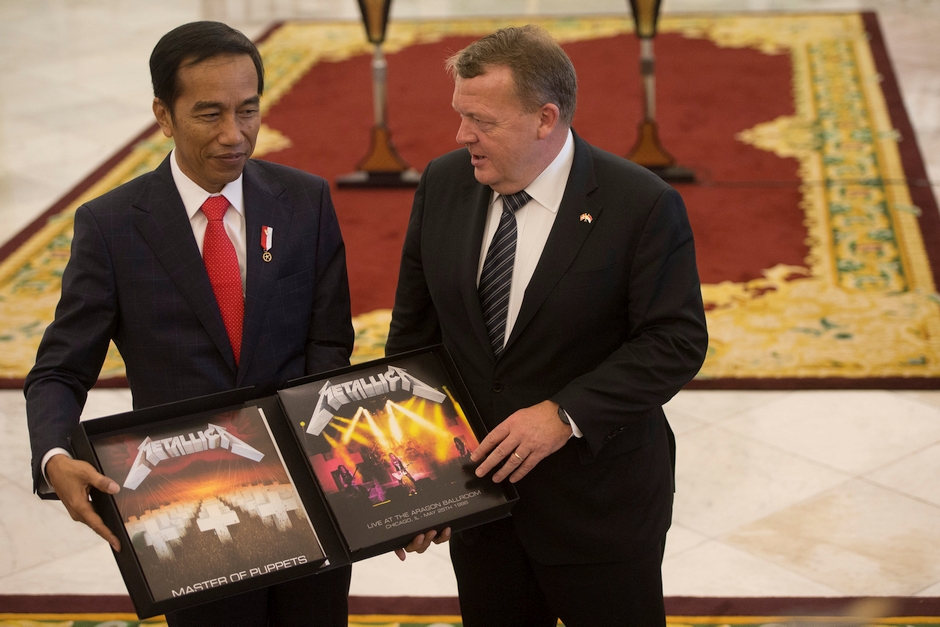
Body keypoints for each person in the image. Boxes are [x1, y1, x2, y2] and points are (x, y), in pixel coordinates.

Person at [24, 21, 354, 627]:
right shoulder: (113, 226)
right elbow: (60, 370)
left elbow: (329, 341)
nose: (235, 134)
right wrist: (53, 456)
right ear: (164, 115)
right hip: (189, 510)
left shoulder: (305, 201)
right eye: (210, 114)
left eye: (248, 109)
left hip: (306, 496)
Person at [386, 25, 708, 627]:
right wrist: (421, 480)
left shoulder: (639, 203)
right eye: (460, 115)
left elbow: (674, 341)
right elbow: (414, 339)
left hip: (598, 509)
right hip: (482, 505)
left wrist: (564, 414)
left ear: (545, 119)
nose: (462, 135)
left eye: (481, 120)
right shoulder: (444, 183)